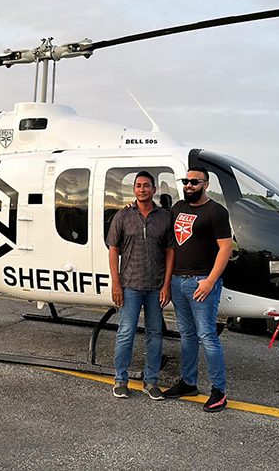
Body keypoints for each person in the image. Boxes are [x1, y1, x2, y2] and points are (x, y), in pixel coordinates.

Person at [162, 167, 233, 412]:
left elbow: (226, 248)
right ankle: (188, 382)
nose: (189, 185)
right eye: (186, 181)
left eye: (194, 182)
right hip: (178, 281)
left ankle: (219, 391)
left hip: (202, 282)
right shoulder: (177, 209)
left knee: (207, 336)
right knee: (187, 335)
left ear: (206, 184)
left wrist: (210, 281)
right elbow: (169, 240)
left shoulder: (216, 212)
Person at [106, 171, 175, 400]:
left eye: (147, 186)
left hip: (156, 286)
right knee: (126, 333)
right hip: (130, 285)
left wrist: (167, 285)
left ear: (154, 190)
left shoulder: (164, 217)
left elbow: (170, 251)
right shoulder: (123, 216)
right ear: (134, 190)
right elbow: (113, 249)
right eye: (138, 186)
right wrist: (116, 283)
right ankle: (120, 379)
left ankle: (151, 381)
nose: (142, 189)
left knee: (155, 334)